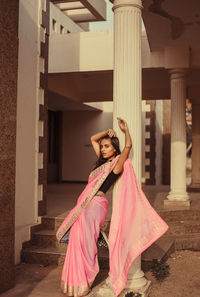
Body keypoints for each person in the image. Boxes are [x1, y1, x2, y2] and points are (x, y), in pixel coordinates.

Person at [56, 118, 168, 297]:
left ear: (114, 149)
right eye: (103, 147)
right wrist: (106, 132)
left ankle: (85, 279)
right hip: (85, 206)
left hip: (95, 207)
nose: (103, 149)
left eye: (107, 146)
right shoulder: (101, 163)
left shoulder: (116, 165)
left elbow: (128, 147)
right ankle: (75, 283)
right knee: (78, 241)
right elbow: (93, 138)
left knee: (87, 243)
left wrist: (126, 130)